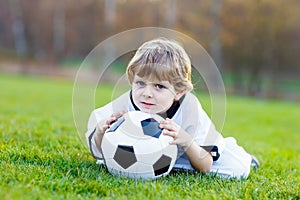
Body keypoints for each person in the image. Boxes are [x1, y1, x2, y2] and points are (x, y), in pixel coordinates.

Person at [85, 38, 259, 179]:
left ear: (179, 91)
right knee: (107, 162)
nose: (147, 93)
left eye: (159, 86)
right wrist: (102, 133)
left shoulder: (190, 110)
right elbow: (100, 154)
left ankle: (243, 157)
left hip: (189, 152)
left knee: (237, 169)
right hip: (144, 153)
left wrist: (186, 141)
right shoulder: (123, 106)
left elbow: (205, 166)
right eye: (140, 83)